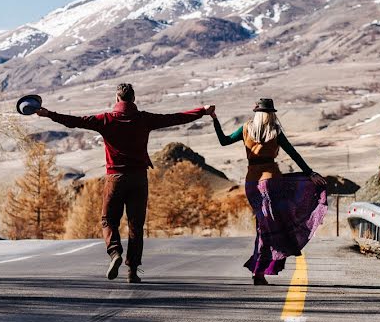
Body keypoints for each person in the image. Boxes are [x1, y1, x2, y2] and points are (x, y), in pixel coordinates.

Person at [36, 83, 214, 283]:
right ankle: (132, 272)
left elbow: (75, 121)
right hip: (139, 179)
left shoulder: (106, 120)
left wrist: (48, 113)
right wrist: (202, 111)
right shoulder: (144, 118)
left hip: (115, 179)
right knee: (136, 225)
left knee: (109, 220)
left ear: (117, 98)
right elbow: (175, 118)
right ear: (133, 99)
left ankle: (115, 253)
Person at [211, 98, 327, 285]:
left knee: (263, 226)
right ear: (271, 113)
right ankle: (265, 266)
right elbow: (293, 154)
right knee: (274, 225)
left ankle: (261, 269)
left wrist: (215, 119)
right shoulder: (275, 131)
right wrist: (310, 173)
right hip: (271, 182)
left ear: (256, 112)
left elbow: (224, 141)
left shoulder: (246, 128)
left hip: (251, 183)